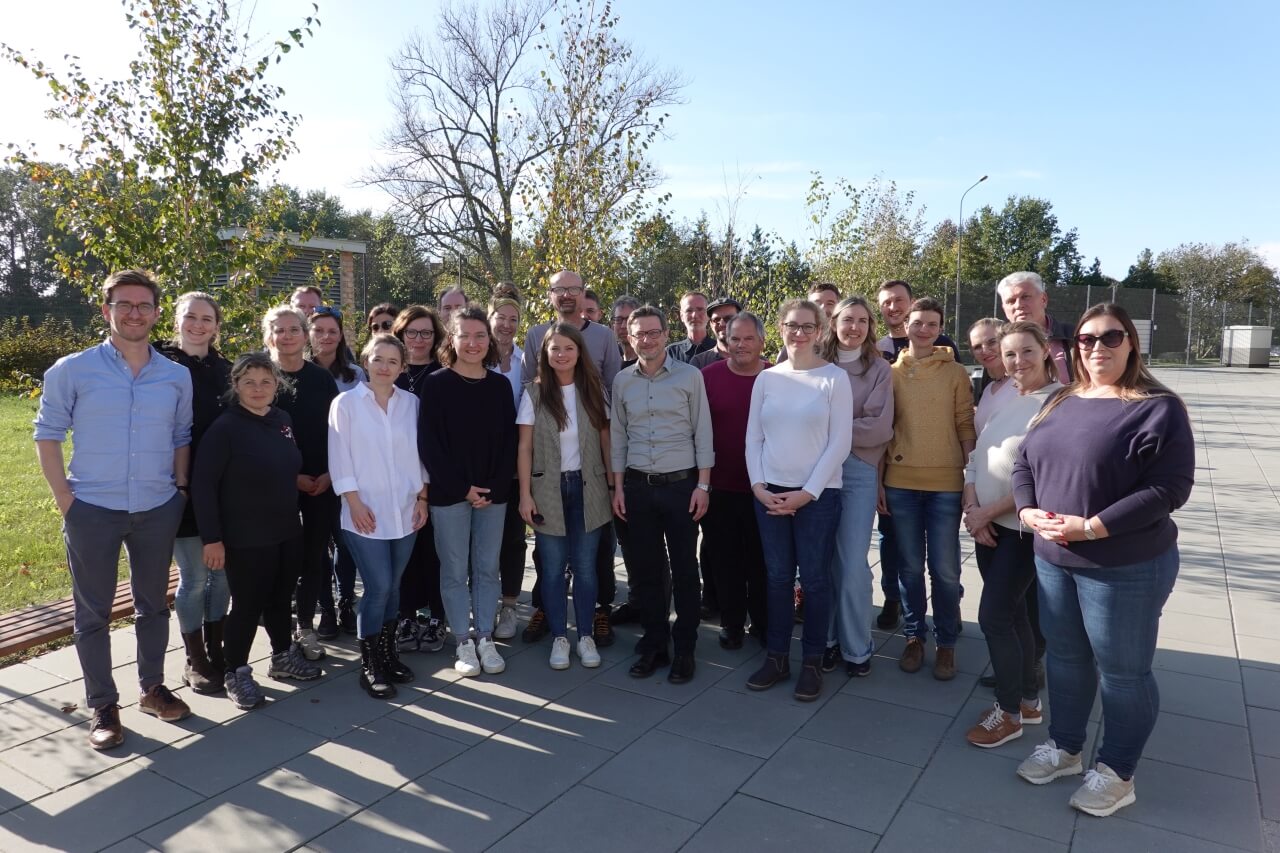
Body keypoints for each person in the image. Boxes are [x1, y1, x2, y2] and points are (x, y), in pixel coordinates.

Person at [1012, 304, 1194, 818]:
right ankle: (1067, 748)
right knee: (1067, 661)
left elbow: (1170, 487)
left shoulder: (1157, 407)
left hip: (1124, 566)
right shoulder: (1064, 399)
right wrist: (1027, 510)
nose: (1097, 348)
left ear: (1131, 343)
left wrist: (1092, 527)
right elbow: (1026, 460)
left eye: (1111, 337)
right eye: (1087, 340)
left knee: (1123, 673)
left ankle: (1117, 772)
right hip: (1053, 559)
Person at [34, 270, 194, 749]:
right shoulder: (72, 370)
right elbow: (47, 434)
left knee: (153, 605)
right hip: (92, 510)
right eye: (124, 305)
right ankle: (103, 704)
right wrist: (67, 501)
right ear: (106, 311)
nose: (134, 313)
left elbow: (181, 437)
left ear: (156, 313)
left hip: (156, 507)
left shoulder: (176, 375)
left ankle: (151, 688)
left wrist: (179, 490)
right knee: (93, 613)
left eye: (143, 306)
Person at [193, 353, 322, 710]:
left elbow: (277, 463)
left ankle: (282, 657)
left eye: (266, 381)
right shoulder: (225, 428)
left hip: (285, 528)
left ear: (277, 385)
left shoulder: (282, 419)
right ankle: (236, 672)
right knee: (248, 606)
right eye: (249, 381)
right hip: (245, 535)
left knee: (281, 599)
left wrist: (295, 478)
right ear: (236, 386)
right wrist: (212, 539)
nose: (258, 388)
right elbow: (204, 486)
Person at [743, 299, 852, 701]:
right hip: (768, 494)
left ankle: (811, 661)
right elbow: (754, 437)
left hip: (817, 497)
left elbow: (840, 442)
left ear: (821, 330)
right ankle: (776, 657)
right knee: (776, 579)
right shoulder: (767, 379)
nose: (799, 333)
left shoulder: (834, 379)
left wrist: (807, 494)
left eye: (808, 326)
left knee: (816, 580)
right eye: (792, 325)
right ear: (781, 329)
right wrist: (758, 486)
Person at [961, 321, 1061, 748]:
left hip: (1020, 530)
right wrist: (972, 510)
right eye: (1009, 355)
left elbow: (1041, 478)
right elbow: (976, 458)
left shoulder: (1058, 403)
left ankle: (1008, 713)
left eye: (1026, 352)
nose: (1017, 361)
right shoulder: (1004, 398)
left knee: (995, 618)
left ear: (1046, 351)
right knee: (1015, 615)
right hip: (989, 527)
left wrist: (986, 512)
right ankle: (1027, 702)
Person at [612, 305, 713, 683]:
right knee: (647, 571)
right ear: (630, 336)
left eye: (654, 332)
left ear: (666, 334)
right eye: (639, 333)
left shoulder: (689, 377)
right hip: (638, 488)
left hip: (682, 487)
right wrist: (618, 487)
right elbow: (618, 438)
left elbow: (703, 432)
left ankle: (684, 647)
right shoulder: (623, 381)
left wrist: (703, 485)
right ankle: (654, 644)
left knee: (686, 570)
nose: (647, 339)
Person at [521, 270, 622, 648]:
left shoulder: (604, 338)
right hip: (549, 477)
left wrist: (614, 482)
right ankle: (552, 620)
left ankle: (592, 619)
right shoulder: (535, 336)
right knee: (549, 562)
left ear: (583, 294)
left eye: (573, 289)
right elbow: (529, 393)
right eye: (559, 289)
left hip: (591, 474)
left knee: (590, 560)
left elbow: (613, 392)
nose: (566, 295)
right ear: (549, 295)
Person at [419, 307, 518, 677]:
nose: (473, 343)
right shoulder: (436, 384)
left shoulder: (499, 385)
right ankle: (462, 640)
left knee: (488, 569)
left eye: (480, 336)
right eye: (465, 336)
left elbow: (509, 443)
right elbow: (429, 445)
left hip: (493, 495)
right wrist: (463, 488)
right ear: (452, 339)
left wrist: (490, 487)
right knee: (455, 570)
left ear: (489, 341)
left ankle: (485, 637)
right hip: (450, 495)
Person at [329, 334, 428, 699]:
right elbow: (340, 457)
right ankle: (370, 663)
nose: (384, 367)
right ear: (366, 361)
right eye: (378, 359)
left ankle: (388, 654)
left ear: (402, 367)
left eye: (392, 361)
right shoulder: (346, 404)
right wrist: (353, 502)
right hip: (364, 513)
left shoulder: (412, 404)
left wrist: (422, 498)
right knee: (379, 587)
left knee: (394, 588)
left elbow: (420, 455)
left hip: (405, 510)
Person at [882, 297, 975, 680]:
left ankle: (946, 643)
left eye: (931, 324)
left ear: (940, 328)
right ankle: (913, 637)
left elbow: (965, 425)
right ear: (906, 326)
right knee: (908, 567)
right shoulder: (889, 373)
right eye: (917, 322)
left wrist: (971, 478)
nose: (923, 329)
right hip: (901, 482)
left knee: (945, 569)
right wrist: (879, 483)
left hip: (945, 486)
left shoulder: (955, 373)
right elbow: (885, 431)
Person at [872, 279, 959, 632]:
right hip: (897, 472)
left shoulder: (946, 354)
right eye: (887, 302)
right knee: (895, 546)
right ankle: (898, 606)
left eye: (899, 301)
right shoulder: (877, 352)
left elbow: (961, 416)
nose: (893, 307)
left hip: (941, 476)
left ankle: (945, 622)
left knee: (943, 563)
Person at [156, 291, 232, 695]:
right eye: (190, 317)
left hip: (224, 490)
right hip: (179, 486)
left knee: (220, 578)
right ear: (176, 320)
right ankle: (195, 657)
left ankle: (218, 650)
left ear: (217, 325)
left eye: (207, 318)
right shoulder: (159, 363)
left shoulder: (226, 370)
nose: (198, 325)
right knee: (194, 576)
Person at [819, 296, 893, 678]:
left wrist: (827, 431)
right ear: (833, 322)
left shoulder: (879, 369)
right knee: (822, 561)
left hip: (857, 470)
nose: (855, 327)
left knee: (851, 565)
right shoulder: (815, 363)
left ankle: (856, 647)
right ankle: (828, 641)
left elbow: (879, 428)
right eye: (848, 320)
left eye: (862, 321)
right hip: (814, 471)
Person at [264, 305, 339, 663]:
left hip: (321, 483)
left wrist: (328, 474)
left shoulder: (322, 379)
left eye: (294, 329)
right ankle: (277, 629)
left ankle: (305, 626)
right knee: (279, 558)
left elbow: (336, 433)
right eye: (280, 330)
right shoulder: (261, 378)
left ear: (304, 334)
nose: (288, 336)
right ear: (269, 336)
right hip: (276, 486)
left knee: (313, 557)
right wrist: (290, 477)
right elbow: (254, 439)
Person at [700, 312, 770, 649]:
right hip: (720, 486)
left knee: (761, 560)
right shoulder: (708, 377)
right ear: (725, 341)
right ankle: (731, 623)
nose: (741, 345)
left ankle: (762, 621)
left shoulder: (777, 377)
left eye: (748, 338)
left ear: (761, 341)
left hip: (766, 489)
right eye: (735, 339)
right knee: (724, 559)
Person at [392, 306, 448, 654]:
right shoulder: (387, 373)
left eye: (426, 333)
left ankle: (438, 617)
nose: (418, 339)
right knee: (405, 552)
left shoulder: (443, 375)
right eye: (411, 332)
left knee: (437, 551)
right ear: (400, 335)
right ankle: (407, 615)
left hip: (437, 478)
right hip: (398, 479)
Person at [308, 305, 367, 637]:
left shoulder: (356, 376)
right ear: (308, 334)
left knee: (347, 545)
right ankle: (325, 609)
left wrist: (338, 473)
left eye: (332, 330)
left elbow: (361, 431)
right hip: (310, 477)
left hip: (346, 475)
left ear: (341, 334)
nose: (326, 337)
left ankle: (346, 602)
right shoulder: (297, 372)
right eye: (319, 331)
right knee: (317, 547)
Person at [489, 287, 526, 640]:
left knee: (513, 539)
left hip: (516, 462)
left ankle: (510, 606)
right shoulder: (472, 355)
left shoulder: (525, 360)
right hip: (481, 463)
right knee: (481, 538)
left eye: (514, 319)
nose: (507, 325)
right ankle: (481, 602)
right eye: (501, 317)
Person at [997, 271, 1075, 385]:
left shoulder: (1075, 337)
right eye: (1011, 301)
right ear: (1004, 308)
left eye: (1025, 297)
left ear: (1043, 299)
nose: (1019, 305)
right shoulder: (995, 345)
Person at [969, 317, 1015, 435]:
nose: (985, 350)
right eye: (977, 347)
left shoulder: (1024, 385)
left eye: (992, 342)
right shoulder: (988, 390)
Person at [689, 297, 742, 369]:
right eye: (716, 319)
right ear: (711, 324)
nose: (722, 324)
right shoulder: (699, 363)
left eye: (729, 319)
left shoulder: (757, 363)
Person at [665, 291, 713, 363]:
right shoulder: (670, 353)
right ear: (681, 316)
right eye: (689, 310)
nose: (694, 315)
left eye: (700, 309)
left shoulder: (723, 351)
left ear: (709, 314)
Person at [611, 295, 641, 365]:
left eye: (629, 320)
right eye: (618, 320)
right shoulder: (610, 363)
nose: (623, 326)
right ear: (612, 325)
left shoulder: (648, 363)